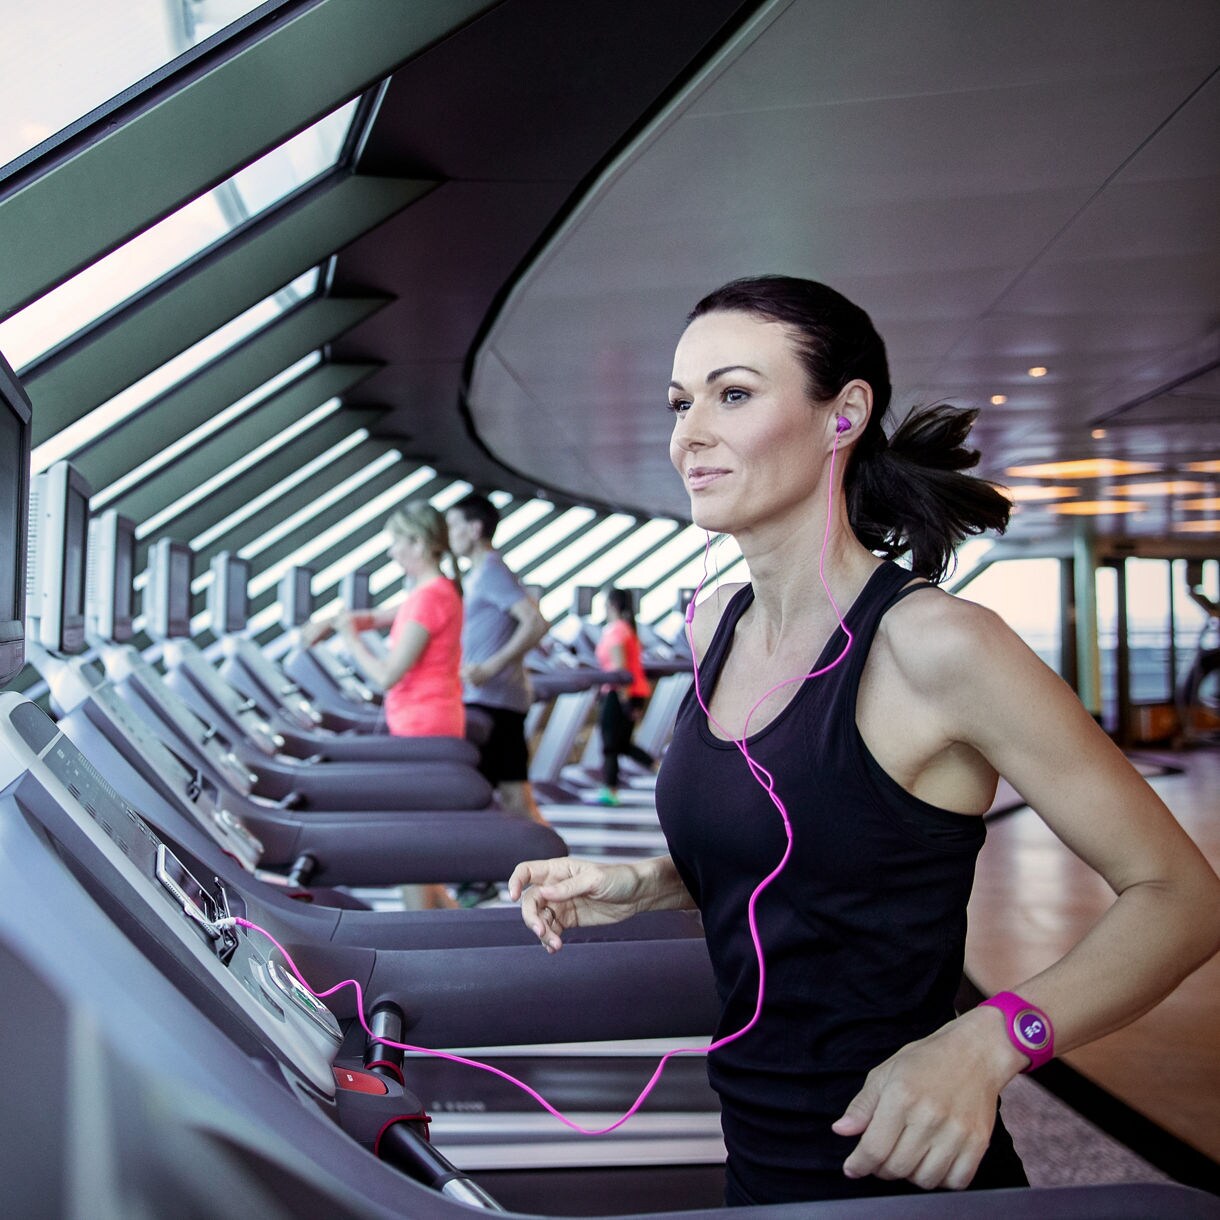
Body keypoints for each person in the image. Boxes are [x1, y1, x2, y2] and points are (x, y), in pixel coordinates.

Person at [509, 276, 1220, 1206]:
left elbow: (1182, 897)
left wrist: (990, 1041)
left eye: (734, 394)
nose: (689, 433)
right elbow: (824, 842)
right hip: (758, 1152)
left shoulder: (937, 646)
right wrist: (646, 879)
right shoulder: (715, 623)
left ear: (843, 415)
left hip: (899, 1170)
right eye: (681, 403)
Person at [306, 500, 464, 908]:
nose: (391, 551)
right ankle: (445, 923)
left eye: (396, 542)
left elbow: (386, 675)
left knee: (409, 847)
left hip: (423, 730)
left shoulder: (429, 597)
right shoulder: (434, 591)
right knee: (418, 844)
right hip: (429, 723)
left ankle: (426, 942)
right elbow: (380, 616)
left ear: (418, 542)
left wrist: (350, 640)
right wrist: (339, 622)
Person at [446, 493, 551, 825]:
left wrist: (490, 666)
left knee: (513, 797)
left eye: (453, 525)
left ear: (475, 529)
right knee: (497, 795)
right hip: (487, 698)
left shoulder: (491, 570)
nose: (448, 534)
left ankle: (558, 869)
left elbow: (535, 622)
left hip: (495, 700)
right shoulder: (478, 573)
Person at [594, 587, 654, 805]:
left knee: (611, 744)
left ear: (611, 605)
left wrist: (625, 701)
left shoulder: (617, 630)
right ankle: (660, 768)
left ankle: (609, 791)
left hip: (621, 692)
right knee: (622, 744)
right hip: (627, 692)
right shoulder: (626, 628)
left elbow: (620, 671)